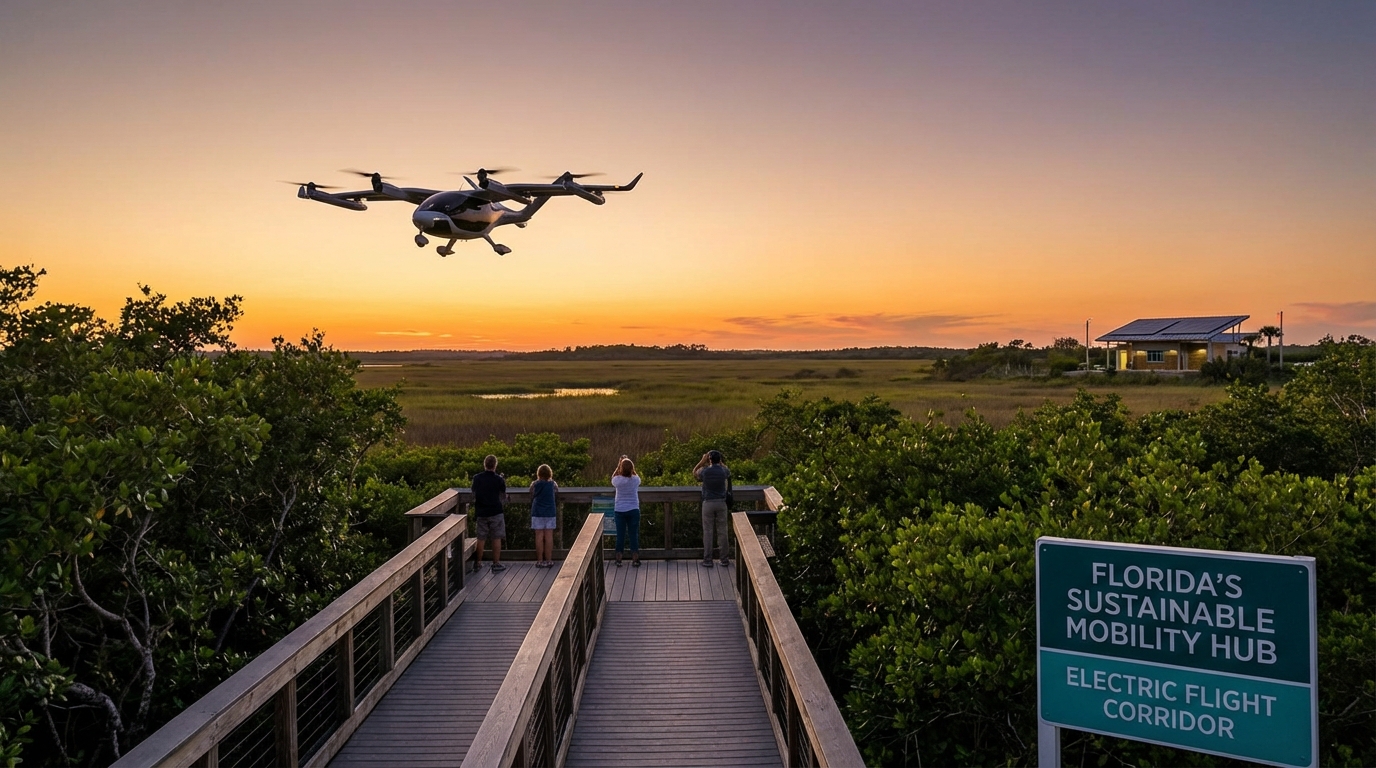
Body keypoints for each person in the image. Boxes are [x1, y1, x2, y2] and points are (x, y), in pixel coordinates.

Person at [693, 450, 731, 567]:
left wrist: (702, 461)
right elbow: (728, 472)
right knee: (723, 532)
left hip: (708, 503)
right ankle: (724, 559)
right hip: (721, 503)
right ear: (719, 460)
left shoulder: (705, 472)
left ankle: (708, 560)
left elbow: (695, 473)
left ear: (709, 459)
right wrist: (721, 463)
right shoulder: (723, 471)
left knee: (708, 532)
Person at [471, 454, 508, 572]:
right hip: (496, 511)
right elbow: (503, 493)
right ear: (495, 465)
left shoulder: (477, 478)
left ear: (485, 465)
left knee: (481, 538)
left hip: (481, 512)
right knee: (496, 537)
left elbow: (473, 491)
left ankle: (478, 563)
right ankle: (496, 563)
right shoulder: (499, 479)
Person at [611, 456, 641, 567]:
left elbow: (613, 478)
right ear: (632, 469)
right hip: (633, 509)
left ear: (621, 469)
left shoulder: (618, 481)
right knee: (633, 535)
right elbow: (636, 475)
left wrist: (619, 465)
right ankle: (635, 559)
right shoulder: (635, 480)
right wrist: (631, 469)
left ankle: (619, 559)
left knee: (620, 535)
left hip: (620, 510)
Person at [529, 464, 559, 568]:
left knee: (539, 536)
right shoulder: (553, 484)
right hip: (550, 512)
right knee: (549, 536)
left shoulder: (535, 484)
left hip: (537, 512)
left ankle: (540, 560)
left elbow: (531, 493)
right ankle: (549, 560)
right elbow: (556, 491)